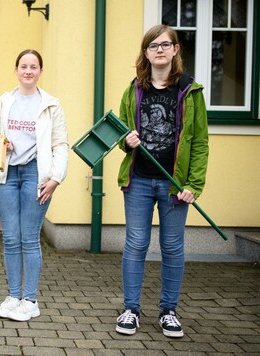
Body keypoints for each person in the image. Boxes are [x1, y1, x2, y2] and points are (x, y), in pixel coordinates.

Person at [115, 24, 209, 338]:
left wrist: (193, 184)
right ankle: (130, 309)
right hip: (139, 179)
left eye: (165, 44)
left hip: (174, 185)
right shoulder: (134, 89)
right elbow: (121, 135)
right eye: (152, 45)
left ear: (175, 50)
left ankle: (169, 311)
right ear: (145, 52)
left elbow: (200, 142)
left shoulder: (190, 91)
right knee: (136, 244)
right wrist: (125, 141)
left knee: (172, 247)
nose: (159, 50)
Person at [0, 49, 68, 322]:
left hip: (36, 174)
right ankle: (13, 297)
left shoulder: (51, 105)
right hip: (7, 173)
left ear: (40, 71)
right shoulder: (4, 101)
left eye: (34, 66)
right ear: (16, 69)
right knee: (10, 237)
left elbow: (60, 144)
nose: (28, 71)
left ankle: (30, 300)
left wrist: (56, 178)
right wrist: (1, 145)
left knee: (29, 238)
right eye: (24, 66)